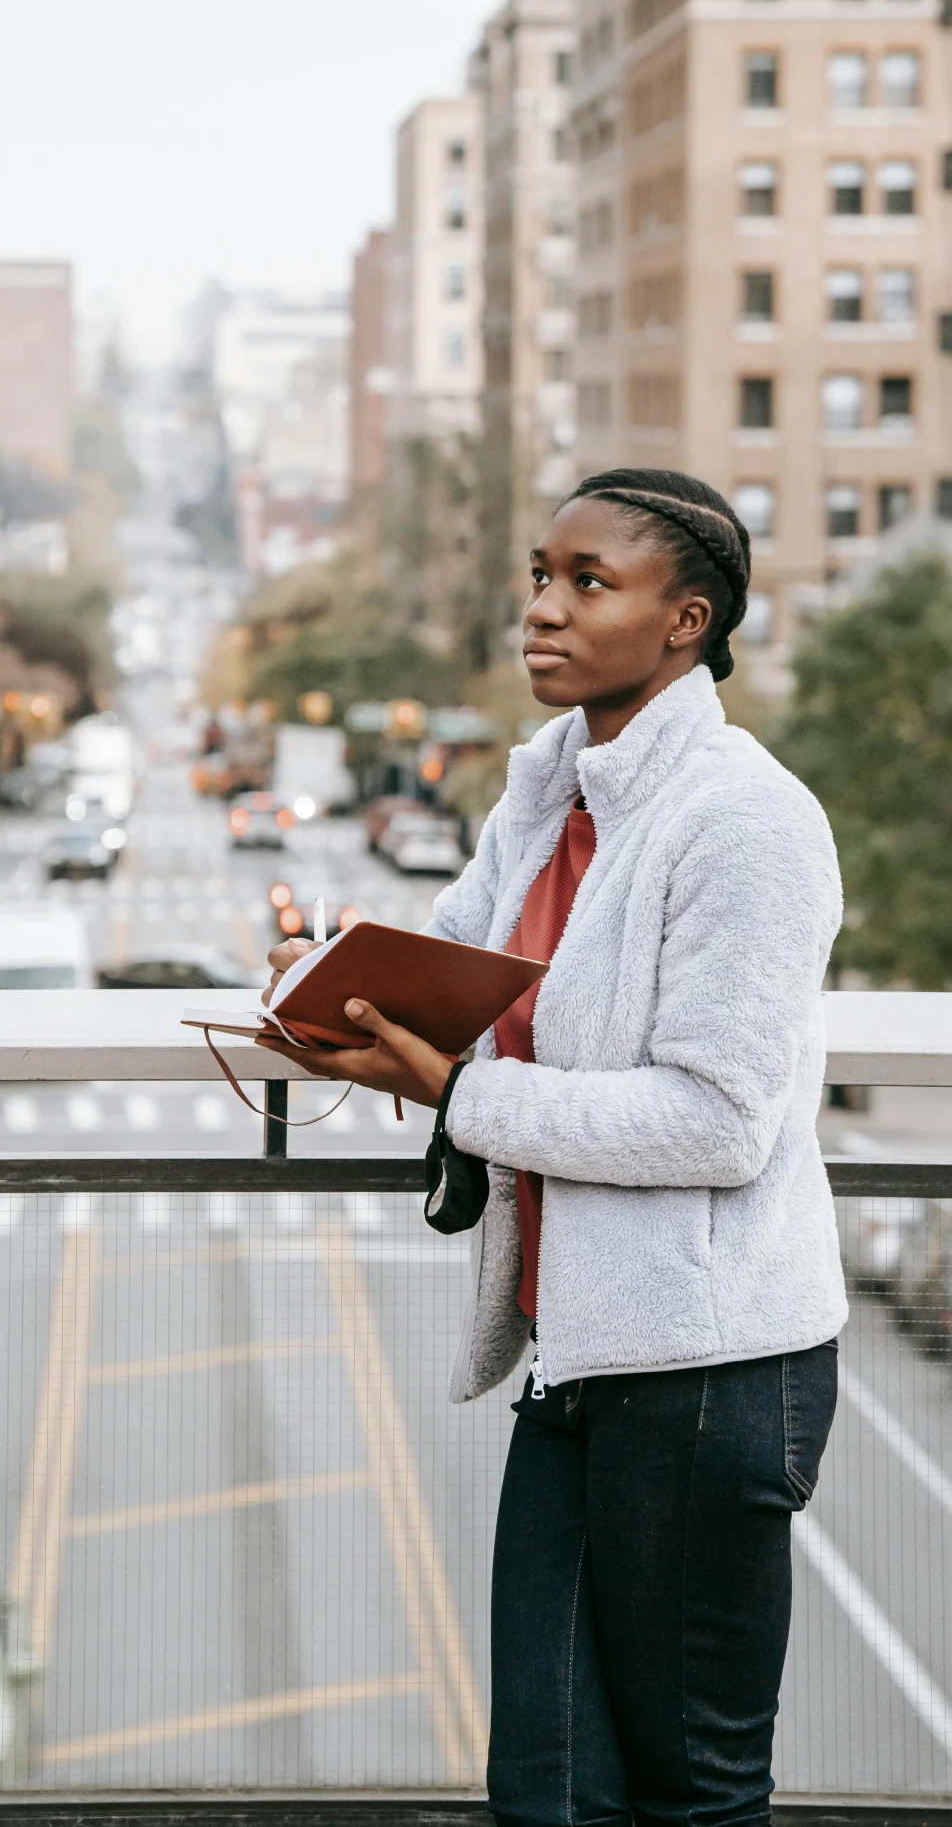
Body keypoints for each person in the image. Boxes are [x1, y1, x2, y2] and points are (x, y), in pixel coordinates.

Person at [263, 467, 846, 1827]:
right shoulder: (549, 785)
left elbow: (712, 1119)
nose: (541, 609)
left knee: (694, 1788)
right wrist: (337, 977)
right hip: (581, 1356)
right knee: (548, 1784)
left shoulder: (746, 821)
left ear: (684, 619)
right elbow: (464, 965)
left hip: (709, 1371)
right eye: (539, 574)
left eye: (589, 583)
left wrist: (458, 1093)